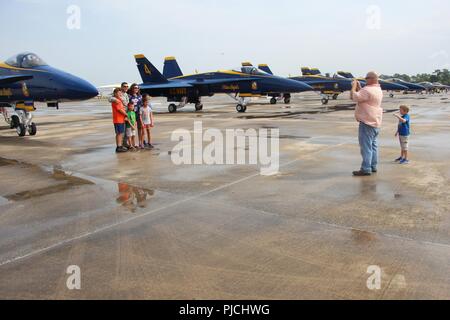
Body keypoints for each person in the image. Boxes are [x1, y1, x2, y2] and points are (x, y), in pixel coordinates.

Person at [350, 71, 384, 176]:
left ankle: (366, 168)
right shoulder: (378, 89)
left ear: (371, 79)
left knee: (366, 147)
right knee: (373, 146)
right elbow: (365, 97)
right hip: (375, 121)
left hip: (367, 122)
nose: (365, 80)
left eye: (366, 78)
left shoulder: (367, 90)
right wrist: (360, 88)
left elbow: (354, 97)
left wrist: (353, 87)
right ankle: (373, 166)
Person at [111, 88, 128, 153]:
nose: (120, 94)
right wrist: (126, 114)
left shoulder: (119, 100)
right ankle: (119, 147)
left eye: (120, 93)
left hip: (120, 119)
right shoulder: (116, 101)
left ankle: (119, 146)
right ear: (115, 94)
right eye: (118, 93)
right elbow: (119, 109)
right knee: (119, 133)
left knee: (120, 133)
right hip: (118, 119)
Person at [128, 84, 143, 148]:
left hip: (139, 114)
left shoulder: (140, 96)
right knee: (131, 128)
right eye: (134, 88)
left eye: (137, 88)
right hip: (132, 114)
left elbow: (143, 104)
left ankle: (140, 142)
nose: (136, 89)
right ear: (132, 88)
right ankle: (131, 144)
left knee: (140, 128)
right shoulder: (129, 96)